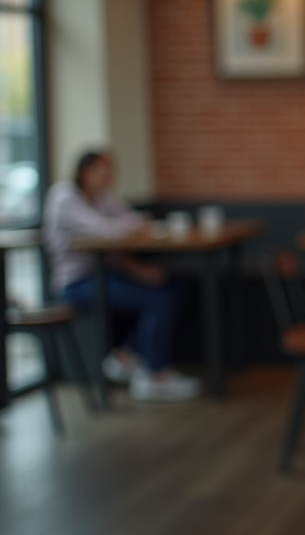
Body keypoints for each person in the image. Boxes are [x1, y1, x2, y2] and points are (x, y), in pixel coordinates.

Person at [43, 151, 201, 401]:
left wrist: (139, 268)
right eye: (104, 173)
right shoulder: (64, 197)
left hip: (107, 274)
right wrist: (136, 225)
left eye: (111, 173)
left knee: (173, 291)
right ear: (86, 172)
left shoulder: (101, 198)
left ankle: (126, 356)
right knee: (158, 300)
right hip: (76, 284)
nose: (109, 179)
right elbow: (108, 231)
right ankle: (155, 374)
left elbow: (130, 221)